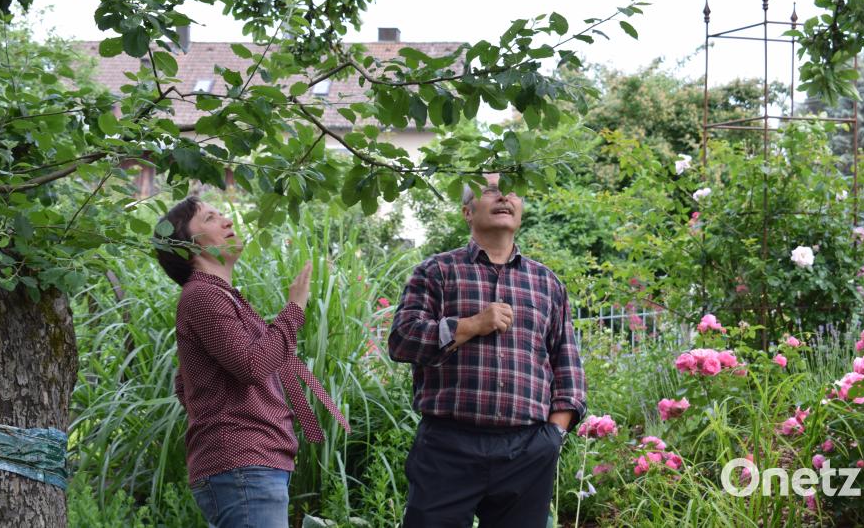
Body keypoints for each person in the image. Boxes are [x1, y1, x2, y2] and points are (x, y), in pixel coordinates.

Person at [389, 173, 587, 527]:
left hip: (528, 450)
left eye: (512, 191)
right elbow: (402, 339)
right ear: (467, 212)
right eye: (491, 190)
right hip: (447, 446)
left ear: (521, 210)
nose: (504, 197)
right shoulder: (436, 272)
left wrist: (553, 436)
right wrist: (470, 326)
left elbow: (567, 367)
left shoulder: (547, 284)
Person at [154, 196, 350, 528]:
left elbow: (185, 385)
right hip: (243, 467)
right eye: (211, 218)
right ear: (187, 247)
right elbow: (252, 365)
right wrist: (295, 308)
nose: (228, 221)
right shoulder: (204, 295)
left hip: (250, 466)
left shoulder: (220, 296)